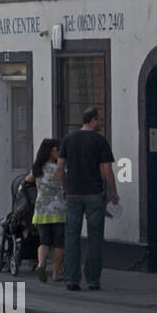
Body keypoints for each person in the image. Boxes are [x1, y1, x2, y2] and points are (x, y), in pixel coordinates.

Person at [57, 107, 119, 291]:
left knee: (72, 235)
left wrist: (64, 187)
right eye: (99, 119)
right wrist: (114, 192)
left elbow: (60, 167)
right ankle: (93, 280)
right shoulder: (100, 141)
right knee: (95, 237)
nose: (101, 122)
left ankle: (71, 279)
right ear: (92, 120)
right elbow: (106, 170)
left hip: (73, 194)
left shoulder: (68, 139)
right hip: (94, 193)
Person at [26, 138, 65, 283]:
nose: (59, 153)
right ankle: (55, 273)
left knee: (44, 241)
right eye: (57, 150)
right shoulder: (58, 169)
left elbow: (28, 180)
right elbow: (64, 184)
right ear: (51, 151)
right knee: (59, 243)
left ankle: (41, 264)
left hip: (41, 209)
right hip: (59, 209)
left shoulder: (36, 169)